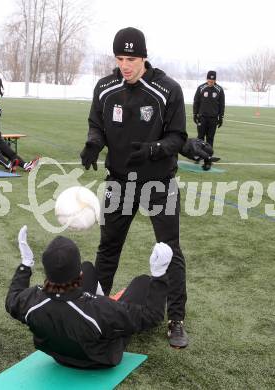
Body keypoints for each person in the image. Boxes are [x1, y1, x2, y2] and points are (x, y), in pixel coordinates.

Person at [80, 27, 214, 348]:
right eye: (119, 58)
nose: (124, 65)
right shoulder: (105, 88)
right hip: (119, 182)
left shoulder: (166, 89)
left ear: (143, 57)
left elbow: (178, 137)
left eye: (131, 58)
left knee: (170, 251)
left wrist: (152, 150)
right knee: (108, 249)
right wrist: (93, 145)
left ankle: (176, 319)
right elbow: (97, 125)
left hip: (159, 183)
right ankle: (92, 312)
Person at [5, 225, 173, 368]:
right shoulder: (100, 309)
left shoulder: (31, 300)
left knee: (88, 268)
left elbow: (11, 299)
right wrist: (159, 275)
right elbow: (152, 316)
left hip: (58, 356)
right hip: (100, 360)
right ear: (78, 274)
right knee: (142, 282)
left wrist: (25, 264)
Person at [193, 70, 225, 170]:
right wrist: (195, 114)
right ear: (206, 79)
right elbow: (196, 101)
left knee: (210, 138)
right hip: (202, 117)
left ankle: (208, 158)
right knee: (200, 138)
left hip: (213, 118)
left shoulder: (219, 89)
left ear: (215, 80)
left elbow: (222, 105)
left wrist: (221, 117)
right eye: (209, 80)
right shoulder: (201, 88)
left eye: (213, 80)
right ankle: (198, 156)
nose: (211, 82)